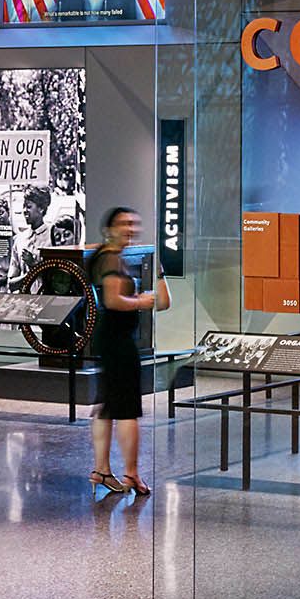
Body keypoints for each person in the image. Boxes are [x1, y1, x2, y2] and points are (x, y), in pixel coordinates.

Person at [88, 206, 168, 495]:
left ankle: (101, 470)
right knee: (126, 410)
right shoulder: (109, 259)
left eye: (134, 223)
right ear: (109, 228)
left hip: (111, 340)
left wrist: (155, 278)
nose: (130, 229)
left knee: (107, 406)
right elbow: (113, 300)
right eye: (123, 224)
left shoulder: (106, 257)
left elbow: (162, 301)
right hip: (118, 342)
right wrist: (140, 302)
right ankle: (131, 473)